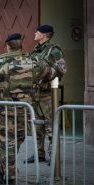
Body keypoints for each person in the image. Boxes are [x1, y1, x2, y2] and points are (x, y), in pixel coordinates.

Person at [0, 33, 58, 184]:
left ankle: (8, 175)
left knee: (7, 142)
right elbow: (51, 73)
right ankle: (3, 169)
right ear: (20, 45)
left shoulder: (1, 63)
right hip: (26, 110)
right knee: (18, 140)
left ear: (8, 46)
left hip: (6, 111)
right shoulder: (34, 62)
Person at [26, 25, 67, 164]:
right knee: (37, 126)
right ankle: (39, 154)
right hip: (35, 94)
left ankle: (54, 155)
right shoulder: (36, 50)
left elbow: (62, 69)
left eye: (37, 32)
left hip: (47, 94)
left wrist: (46, 74)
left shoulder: (53, 50)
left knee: (51, 126)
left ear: (43, 35)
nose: (34, 33)